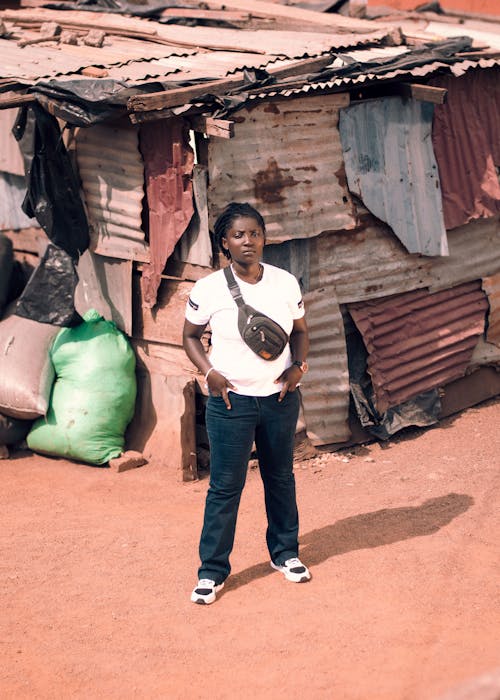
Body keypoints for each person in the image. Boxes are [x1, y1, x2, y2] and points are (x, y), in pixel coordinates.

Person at [183, 202, 311, 605]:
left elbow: (301, 331)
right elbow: (189, 336)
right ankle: (212, 572)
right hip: (231, 402)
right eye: (238, 235)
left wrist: (299, 368)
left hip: (278, 398)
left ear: (264, 238)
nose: (248, 241)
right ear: (225, 242)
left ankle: (286, 554)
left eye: (254, 233)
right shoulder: (207, 289)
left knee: (280, 477)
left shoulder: (285, 283)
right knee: (225, 487)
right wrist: (209, 372)